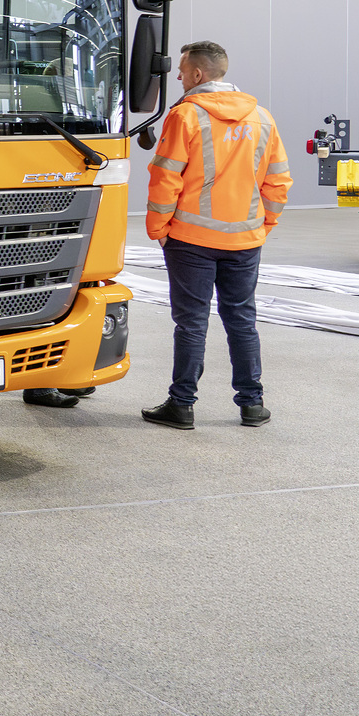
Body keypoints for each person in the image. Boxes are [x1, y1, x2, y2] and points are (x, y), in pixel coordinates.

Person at [141, 40, 292, 430]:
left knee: (192, 323)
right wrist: (263, 226)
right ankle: (252, 405)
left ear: (197, 74)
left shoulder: (186, 116)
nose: (176, 76)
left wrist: (158, 228)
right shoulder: (262, 117)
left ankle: (182, 405)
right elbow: (278, 182)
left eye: (181, 69)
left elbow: (165, 177)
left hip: (191, 240)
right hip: (245, 241)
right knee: (242, 320)